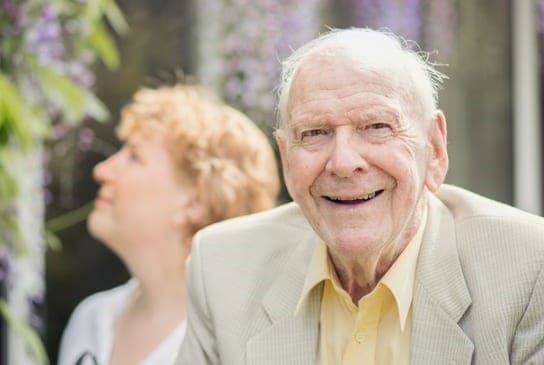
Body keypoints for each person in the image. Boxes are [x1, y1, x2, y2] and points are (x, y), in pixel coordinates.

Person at [176, 27, 544, 365]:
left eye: (376, 127)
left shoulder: (528, 268)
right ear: (286, 158)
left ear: (433, 148)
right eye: (316, 133)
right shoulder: (222, 267)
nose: (343, 163)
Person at [57, 83, 280, 365]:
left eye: (134, 157)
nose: (102, 171)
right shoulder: (91, 319)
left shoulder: (236, 345)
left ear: (195, 202)